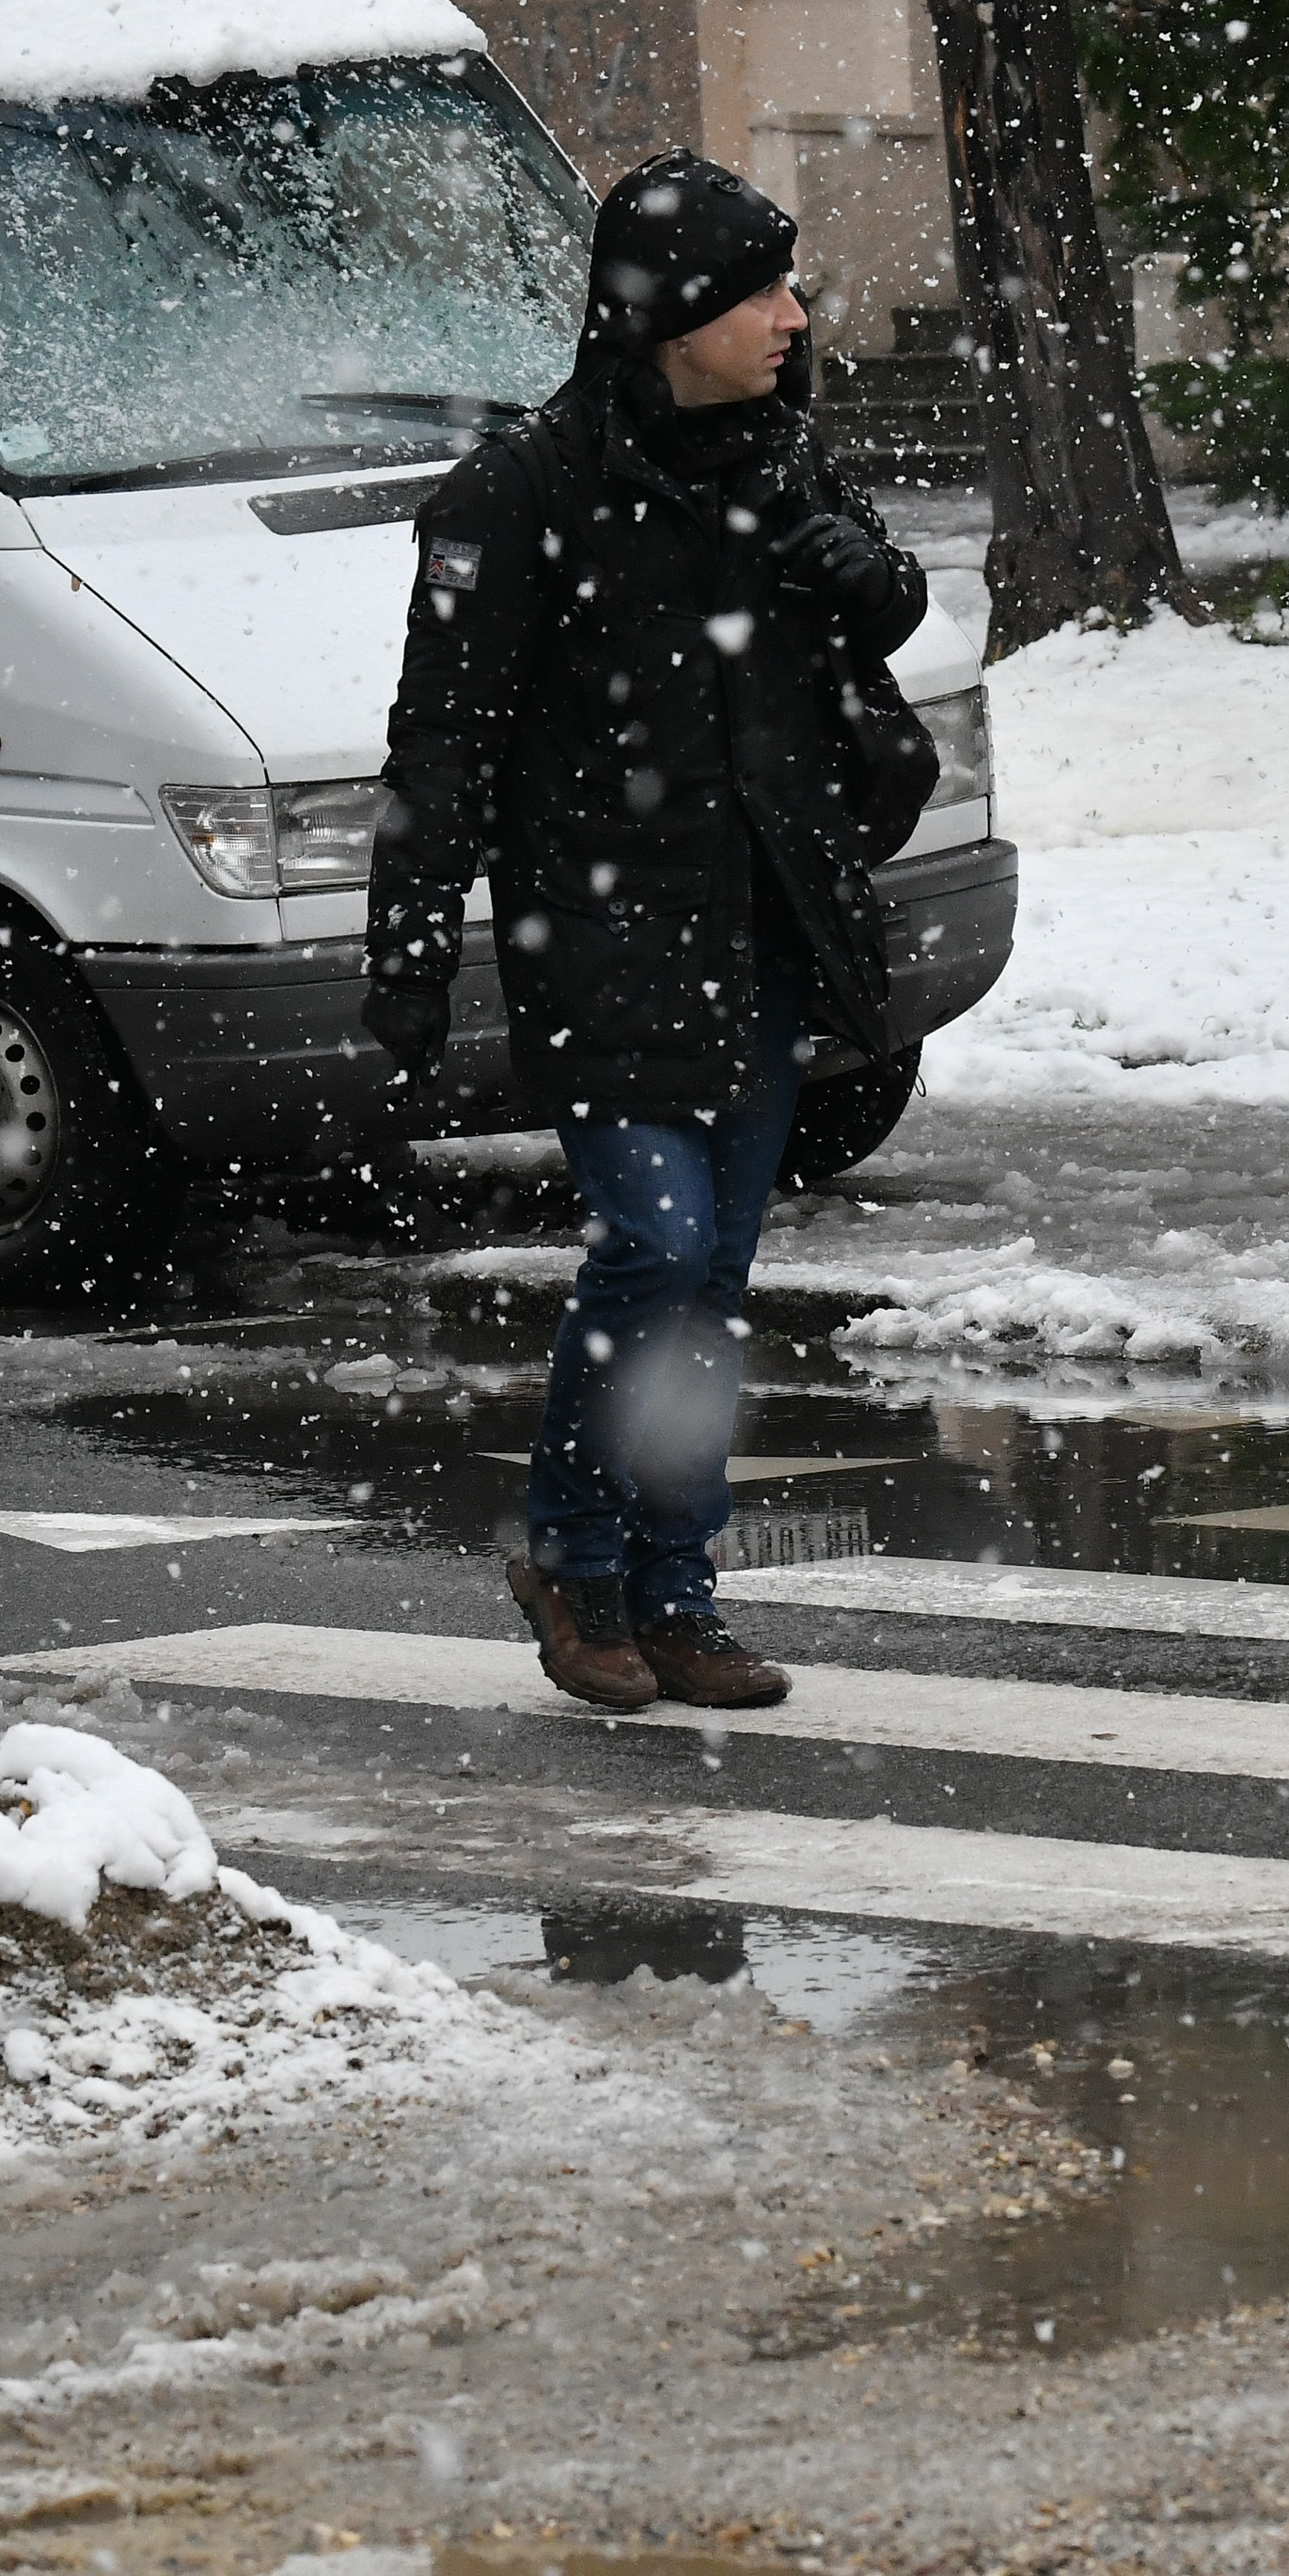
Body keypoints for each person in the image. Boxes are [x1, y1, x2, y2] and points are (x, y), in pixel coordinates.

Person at [363, 153, 931, 1713]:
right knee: (659, 1247)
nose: (796, 318)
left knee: (719, 1270)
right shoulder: (520, 497)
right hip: (605, 939)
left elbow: (891, 605)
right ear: (674, 316)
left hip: (757, 930)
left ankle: (680, 1591)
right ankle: (573, 1557)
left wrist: (855, 573)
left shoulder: (782, 455)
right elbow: (442, 744)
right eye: (763, 292)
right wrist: (407, 958)